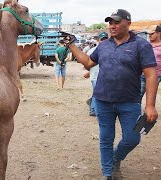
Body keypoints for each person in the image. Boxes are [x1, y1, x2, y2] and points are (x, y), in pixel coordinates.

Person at [66, 9, 158, 179]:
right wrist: (71, 44)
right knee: (106, 139)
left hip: (129, 101)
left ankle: (116, 158)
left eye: (116, 22)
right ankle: (107, 173)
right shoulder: (104, 46)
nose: (112, 26)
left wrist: (150, 105)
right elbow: (88, 62)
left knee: (132, 138)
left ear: (128, 23)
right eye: (110, 23)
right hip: (102, 101)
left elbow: (151, 74)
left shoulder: (141, 45)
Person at [84, 32, 109, 117]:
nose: (104, 41)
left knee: (100, 93)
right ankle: (93, 110)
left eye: (105, 39)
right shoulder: (91, 51)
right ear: (98, 40)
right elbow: (87, 63)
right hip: (95, 76)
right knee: (97, 92)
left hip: (105, 76)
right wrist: (89, 72)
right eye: (102, 39)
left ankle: (92, 103)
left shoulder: (111, 50)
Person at [140, 25, 161, 97]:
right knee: (139, 94)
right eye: (148, 34)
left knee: (151, 95)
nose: (149, 36)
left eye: (152, 34)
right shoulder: (145, 45)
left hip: (157, 75)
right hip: (143, 74)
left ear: (159, 33)